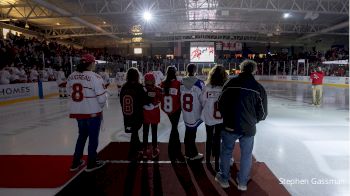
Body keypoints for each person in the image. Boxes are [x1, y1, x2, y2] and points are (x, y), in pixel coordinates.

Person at [215, 60, 267, 191]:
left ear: (241, 68)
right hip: (248, 128)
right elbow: (263, 113)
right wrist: (253, 121)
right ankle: (242, 182)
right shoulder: (258, 88)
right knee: (246, 155)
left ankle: (224, 179)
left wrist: (227, 117)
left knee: (226, 152)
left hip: (229, 125)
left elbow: (220, 103)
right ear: (254, 70)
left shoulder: (230, 83)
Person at [67, 53, 107, 172]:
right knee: (93, 139)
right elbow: (101, 99)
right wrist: (101, 105)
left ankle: (75, 162)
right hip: (93, 113)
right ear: (91, 63)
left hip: (78, 113)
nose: (95, 64)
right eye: (94, 62)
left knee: (82, 136)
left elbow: (69, 92)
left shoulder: (71, 76)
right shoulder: (95, 77)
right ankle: (91, 163)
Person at [201, 65, 228, 171]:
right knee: (217, 139)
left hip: (208, 116)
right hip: (220, 118)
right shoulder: (225, 88)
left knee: (209, 138)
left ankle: (207, 160)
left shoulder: (206, 87)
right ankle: (217, 161)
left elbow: (203, 101)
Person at [120, 67, 148, 160]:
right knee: (135, 131)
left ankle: (137, 146)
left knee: (134, 131)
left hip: (127, 114)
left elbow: (121, 101)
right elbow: (144, 100)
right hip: (136, 114)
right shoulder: (139, 86)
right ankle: (133, 151)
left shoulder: (124, 86)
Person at [160, 66, 185, 162]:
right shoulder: (178, 83)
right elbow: (180, 96)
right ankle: (175, 151)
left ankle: (174, 151)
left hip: (167, 110)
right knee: (174, 129)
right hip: (176, 109)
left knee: (174, 128)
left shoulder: (162, 84)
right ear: (175, 73)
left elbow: (160, 97)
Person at [180, 63, 204, 161]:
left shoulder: (181, 82)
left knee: (188, 133)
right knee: (192, 134)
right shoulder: (199, 83)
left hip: (186, 113)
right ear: (195, 71)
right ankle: (192, 154)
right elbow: (203, 99)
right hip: (195, 113)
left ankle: (187, 152)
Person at [142, 72, 162, 159]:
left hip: (145, 113)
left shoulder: (142, 89)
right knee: (154, 132)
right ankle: (154, 148)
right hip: (154, 113)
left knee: (145, 132)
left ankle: (145, 150)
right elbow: (160, 99)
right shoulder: (158, 89)